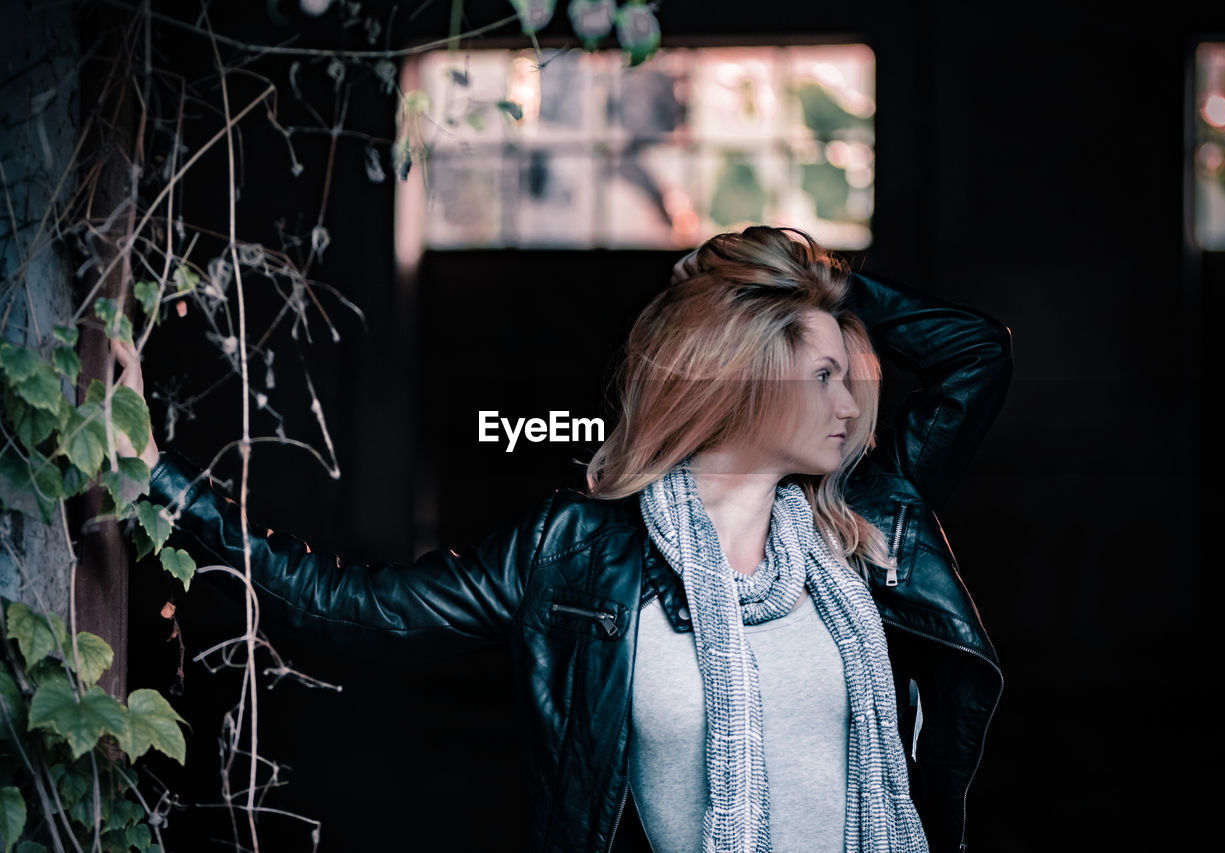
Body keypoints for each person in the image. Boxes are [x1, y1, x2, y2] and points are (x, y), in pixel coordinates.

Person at [118, 225, 1011, 853]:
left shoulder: (862, 518)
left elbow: (977, 354)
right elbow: (348, 610)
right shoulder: (578, 550)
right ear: (744, 376)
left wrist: (816, 282)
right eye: (823, 376)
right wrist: (158, 482)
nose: (850, 406)